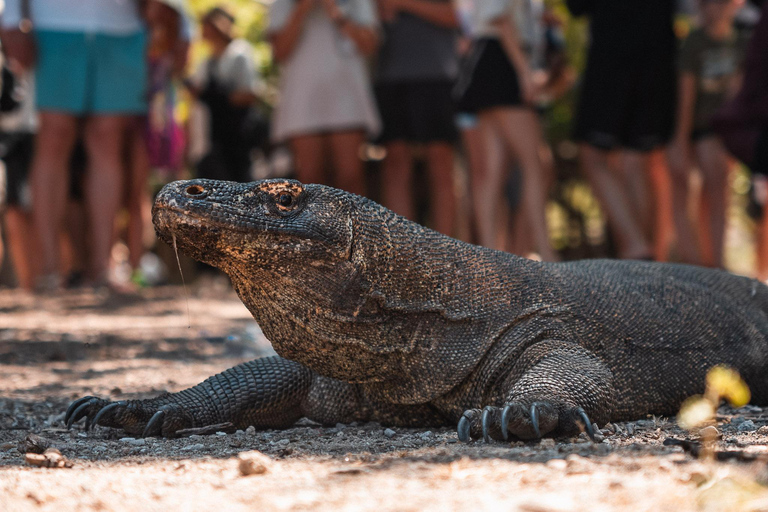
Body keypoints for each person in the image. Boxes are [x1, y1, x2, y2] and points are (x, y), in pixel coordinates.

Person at [1, 0, 148, 290]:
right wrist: (12, 17)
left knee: (107, 140)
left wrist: (181, 24)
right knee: (54, 136)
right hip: (53, 25)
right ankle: (48, 268)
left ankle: (102, 266)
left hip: (123, 28)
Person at [566, 0, 677, 261]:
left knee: (595, 156)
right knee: (636, 159)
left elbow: (576, 6)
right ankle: (643, 262)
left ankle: (636, 249)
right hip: (658, 54)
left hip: (613, 55)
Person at [454, 0, 557, 260]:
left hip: (492, 60)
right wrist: (524, 72)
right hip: (501, 61)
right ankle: (544, 251)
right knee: (535, 164)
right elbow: (500, 20)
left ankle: (494, 258)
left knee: (494, 168)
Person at [667, 0, 749, 269]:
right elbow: (686, 97)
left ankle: (715, 261)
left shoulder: (741, 41)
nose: (715, 8)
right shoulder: (695, 43)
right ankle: (697, 261)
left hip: (725, 130)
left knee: (718, 190)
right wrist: (680, 140)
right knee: (701, 186)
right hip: (698, 128)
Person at [268, 0, 380, 196]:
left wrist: (335, 12)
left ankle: (353, 227)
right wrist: (303, 8)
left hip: (348, 97)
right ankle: (314, 228)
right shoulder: (283, 3)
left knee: (350, 177)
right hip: (302, 99)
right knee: (309, 181)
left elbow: (369, 45)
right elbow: (279, 52)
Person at [373, 0, 459, 235]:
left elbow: (459, 16)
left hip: (438, 77)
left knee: (441, 163)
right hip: (389, 77)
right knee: (395, 164)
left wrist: (404, 3)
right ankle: (402, 254)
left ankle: (445, 253)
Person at [187, 6, 260, 184]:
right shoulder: (206, 62)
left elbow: (250, 95)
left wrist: (218, 96)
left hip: (238, 140)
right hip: (212, 142)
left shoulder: (240, 54)